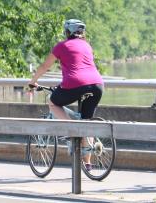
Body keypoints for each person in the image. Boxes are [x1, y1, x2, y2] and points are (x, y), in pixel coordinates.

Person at [28, 19, 104, 170]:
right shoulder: (87, 46)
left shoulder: (62, 46)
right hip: (97, 85)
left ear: (67, 32)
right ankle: (88, 163)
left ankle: (71, 129)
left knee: (53, 102)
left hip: (75, 84)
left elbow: (44, 66)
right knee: (86, 121)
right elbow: (81, 66)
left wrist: (33, 81)